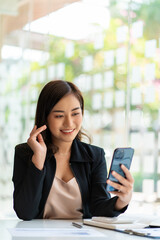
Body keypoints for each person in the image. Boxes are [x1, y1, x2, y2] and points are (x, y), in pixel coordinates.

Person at [12, 80, 134, 220]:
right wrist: (38, 162)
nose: (69, 123)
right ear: (45, 117)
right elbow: (25, 213)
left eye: (75, 113)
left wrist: (122, 201)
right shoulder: (25, 153)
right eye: (59, 115)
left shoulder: (94, 156)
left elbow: (98, 207)